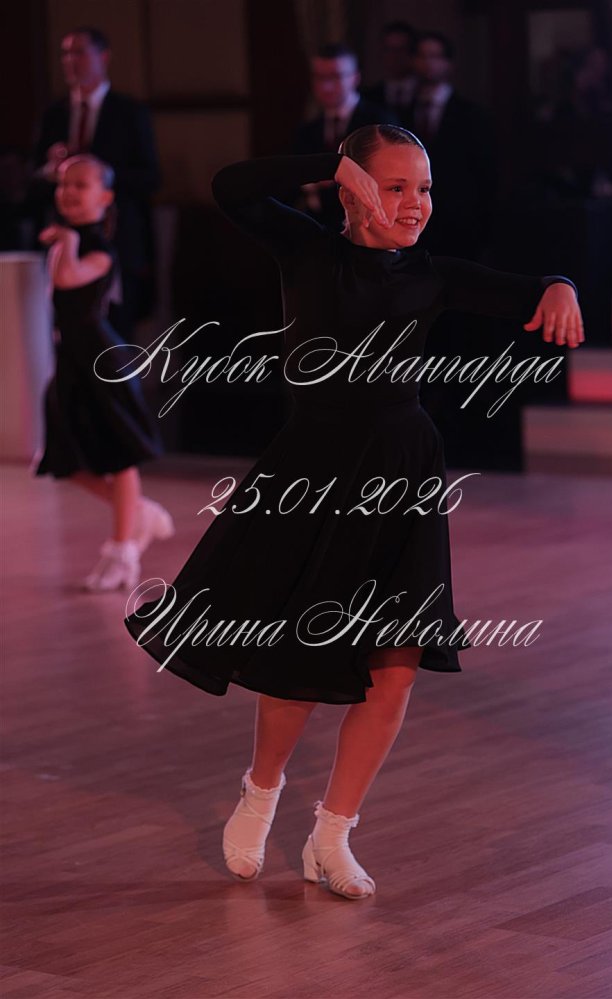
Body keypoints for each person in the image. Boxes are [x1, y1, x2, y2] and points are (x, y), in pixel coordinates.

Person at [124, 125, 583, 900]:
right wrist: (327, 164)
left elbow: (527, 288)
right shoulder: (308, 251)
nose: (414, 203)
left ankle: (332, 835)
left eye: (424, 188)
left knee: (394, 670)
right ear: (352, 188)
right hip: (316, 472)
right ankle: (260, 793)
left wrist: (560, 284)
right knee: (301, 659)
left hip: (403, 476)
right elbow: (232, 186)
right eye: (394, 186)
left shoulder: (431, 274)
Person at [32, 154, 173, 591]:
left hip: (101, 361)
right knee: (62, 458)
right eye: (63, 184)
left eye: (81, 185)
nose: (69, 192)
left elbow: (68, 279)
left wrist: (66, 241)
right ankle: (140, 512)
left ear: (105, 197)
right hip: (71, 361)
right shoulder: (71, 240)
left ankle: (123, 550)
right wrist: (64, 240)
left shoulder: (99, 247)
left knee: (119, 457)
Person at [30, 26, 161, 336]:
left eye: (79, 52)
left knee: (116, 333)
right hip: (64, 237)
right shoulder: (54, 114)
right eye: (65, 54)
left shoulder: (130, 112)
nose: (70, 61)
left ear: (103, 57)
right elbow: (33, 180)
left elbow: (150, 177)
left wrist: (95, 174)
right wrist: (52, 169)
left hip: (116, 238)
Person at [407, 31, 497, 259]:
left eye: (435, 56)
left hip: (460, 224)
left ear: (448, 63)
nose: (428, 62)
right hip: (414, 223)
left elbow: (485, 174)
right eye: (422, 55)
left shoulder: (472, 114)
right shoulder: (402, 111)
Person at [292, 43, 399, 227]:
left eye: (335, 77)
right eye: (319, 77)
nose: (326, 87)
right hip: (320, 227)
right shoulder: (308, 129)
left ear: (355, 78)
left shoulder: (379, 123)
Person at [362, 21, 419, 122]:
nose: (395, 56)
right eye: (389, 49)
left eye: (401, 49)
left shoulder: (425, 95)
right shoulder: (369, 97)